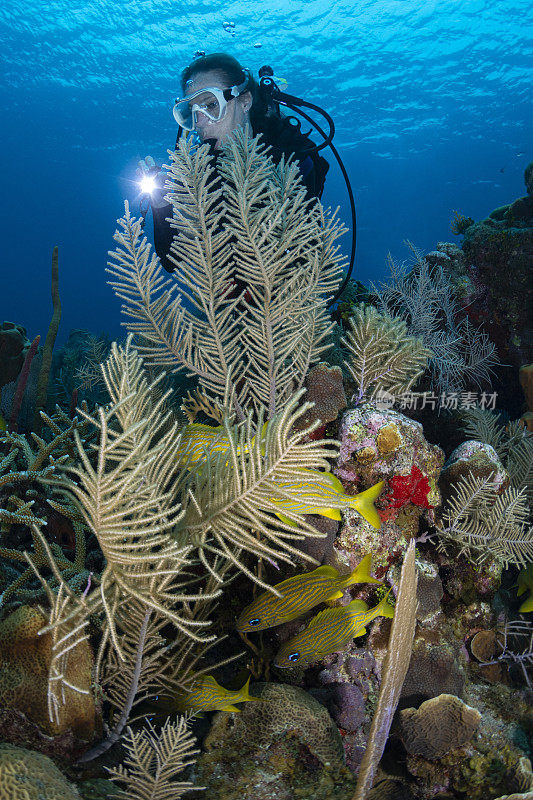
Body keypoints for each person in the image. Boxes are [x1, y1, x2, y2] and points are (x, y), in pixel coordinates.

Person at [144, 52, 329, 273]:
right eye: (192, 113)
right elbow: (172, 260)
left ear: (244, 101)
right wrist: (161, 205)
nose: (201, 123)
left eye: (211, 105)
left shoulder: (290, 156)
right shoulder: (198, 174)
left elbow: (307, 257)